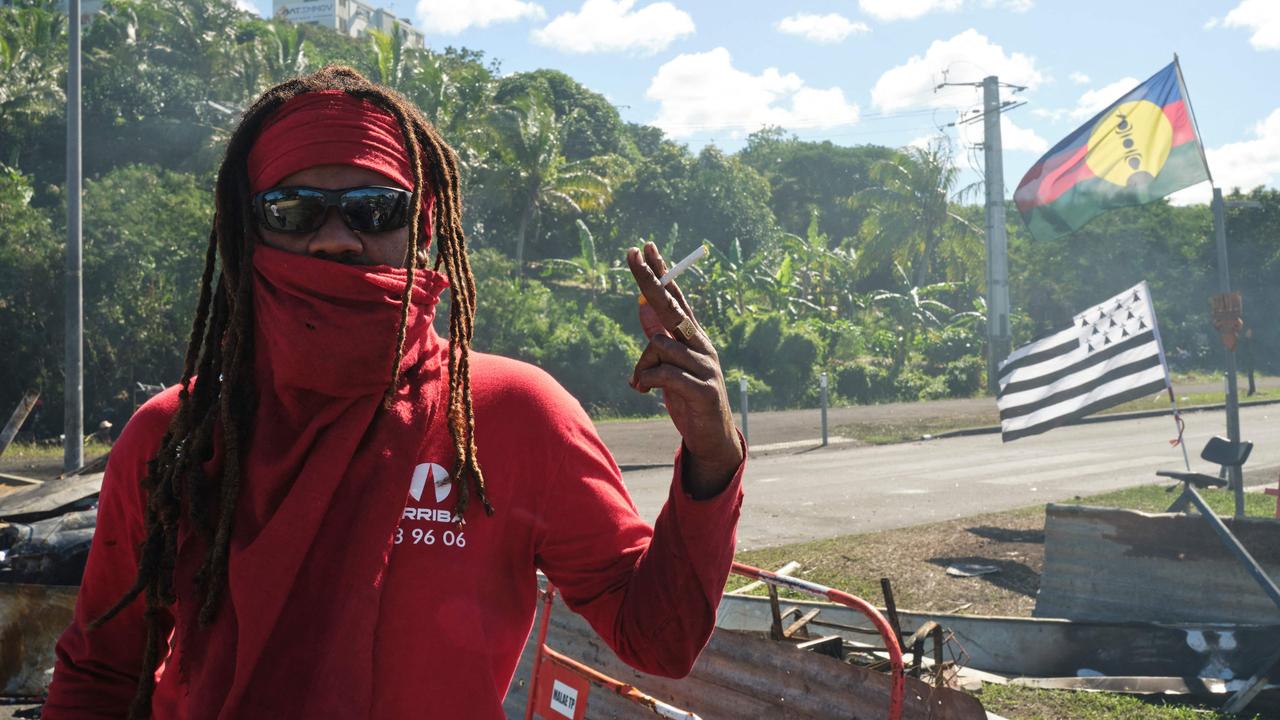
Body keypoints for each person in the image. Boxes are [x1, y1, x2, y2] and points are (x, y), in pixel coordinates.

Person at [43, 67, 745, 719]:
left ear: (424, 227)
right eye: (294, 211)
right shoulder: (172, 436)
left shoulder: (512, 417)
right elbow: (101, 675)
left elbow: (659, 638)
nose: (336, 241)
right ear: (247, 231)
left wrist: (712, 458)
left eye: (375, 210)